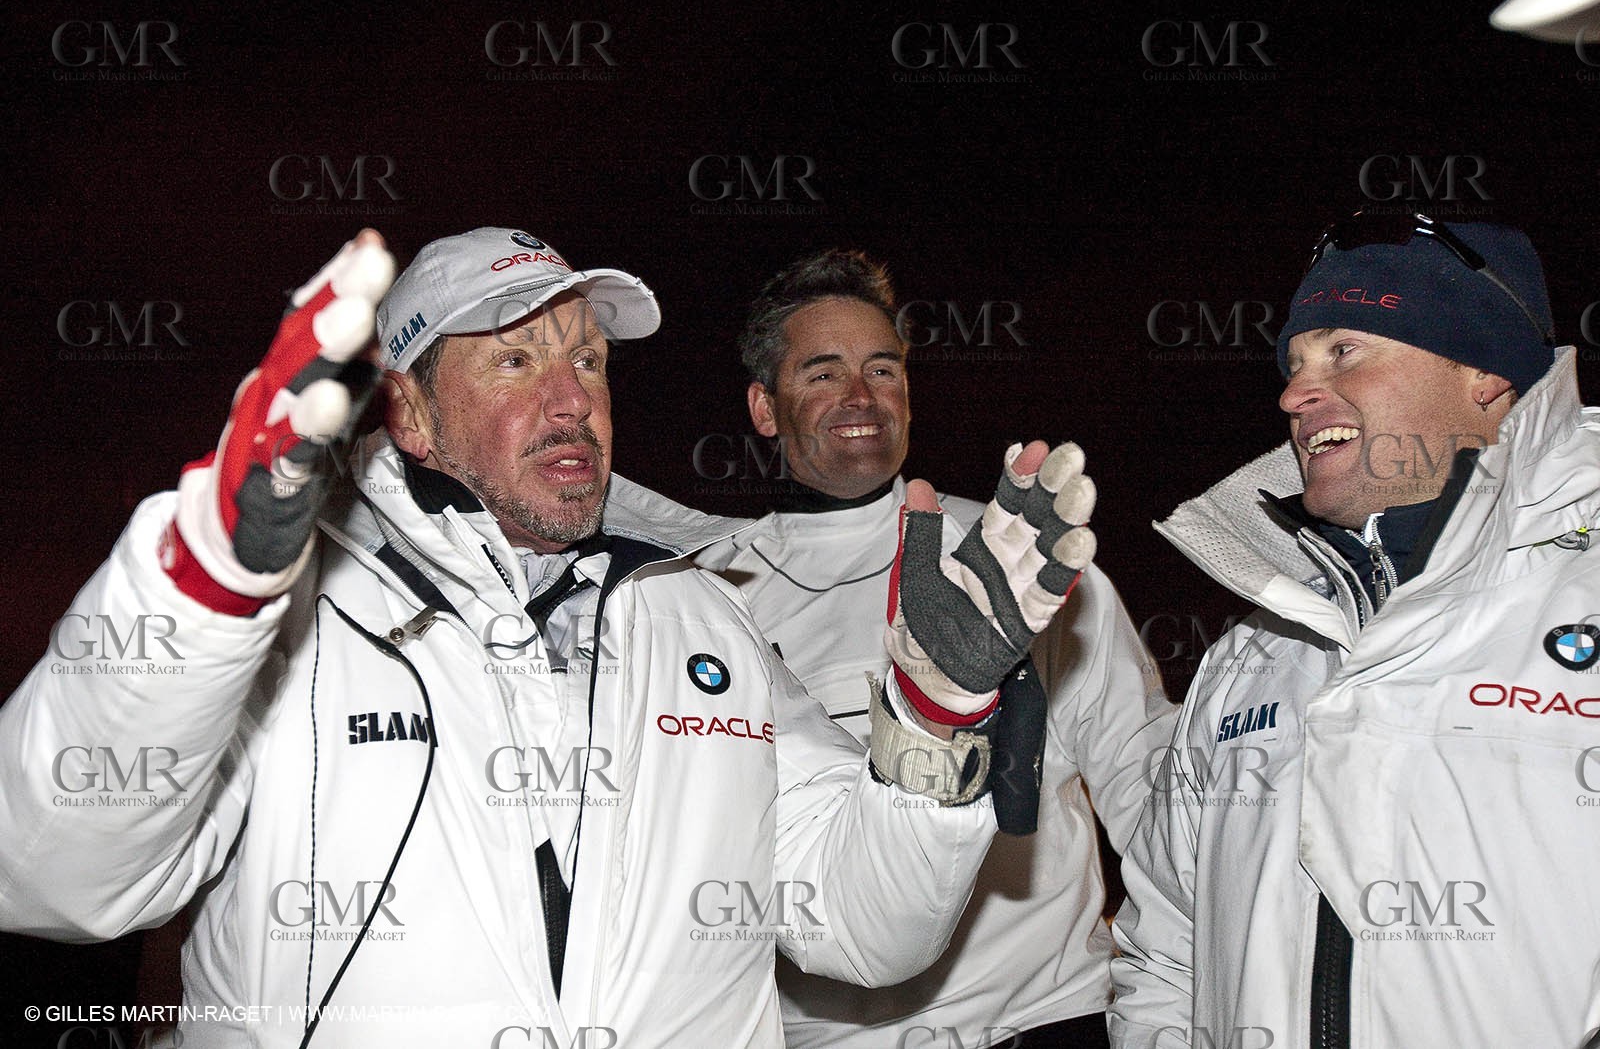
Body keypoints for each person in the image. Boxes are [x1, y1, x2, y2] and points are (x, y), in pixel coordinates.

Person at [0, 228, 1098, 1048]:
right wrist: (196, 591)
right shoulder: (283, 624)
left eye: (589, 361)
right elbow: (49, 872)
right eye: (516, 362)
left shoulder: (701, 620)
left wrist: (935, 718)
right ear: (413, 415)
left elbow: (866, 927)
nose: (573, 399)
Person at [1109, 212, 1600, 1048]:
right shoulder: (1253, 654)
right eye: (1294, 363)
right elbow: (1163, 952)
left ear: (1484, 373)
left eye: (1345, 350)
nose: (1294, 393)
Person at [697, 250, 1175, 1048]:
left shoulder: (1014, 558)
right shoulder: (707, 597)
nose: (861, 395)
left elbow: (1146, 783)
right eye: (821, 373)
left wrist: (1171, 997)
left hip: (1046, 1020)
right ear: (764, 407)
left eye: (883, 368)